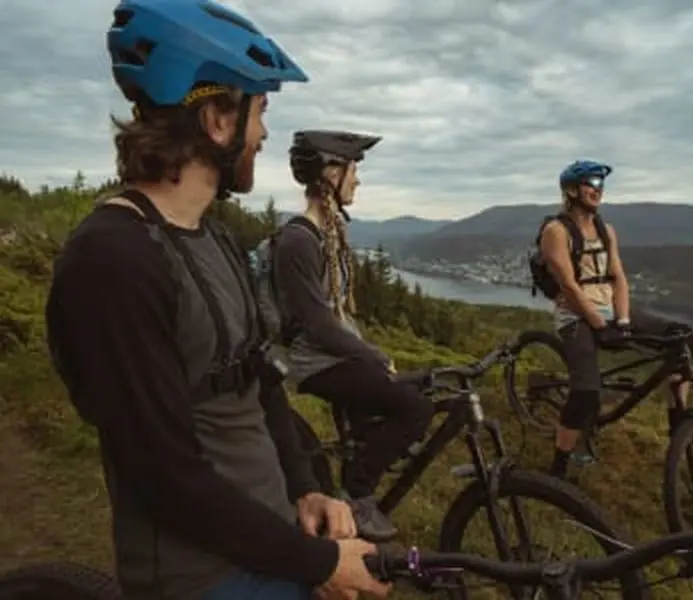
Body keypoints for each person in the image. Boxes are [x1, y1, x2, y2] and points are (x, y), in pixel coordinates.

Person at [44, 1, 390, 599]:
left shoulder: (217, 237)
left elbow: (262, 379)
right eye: (261, 111)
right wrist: (317, 564)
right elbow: (167, 477)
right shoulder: (115, 260)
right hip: (201, 575)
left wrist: (305, 488)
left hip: (266, 535)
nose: (264, 133)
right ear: (218, 120)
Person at [263, 130, 435, 542]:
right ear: (330, 173)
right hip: (314, 362)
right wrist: (373, 355)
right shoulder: (298, 241)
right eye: (353, 170)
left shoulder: (327, 233)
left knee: (414, 387)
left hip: (333, 354)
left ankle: (363, 450)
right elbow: (319, 325)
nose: (357, 180)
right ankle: (356, 493)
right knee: (416, 410)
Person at [539, 160, 693, 480]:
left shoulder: (606, 231)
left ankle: (678, 423)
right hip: (576, 316)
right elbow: (568, 286)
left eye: (600, 183)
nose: (598, 188)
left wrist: (622, 320)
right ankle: (558, 466)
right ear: (571, 190)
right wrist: (598, 324)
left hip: (611, 309)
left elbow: (619, 277)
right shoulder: (555, 231)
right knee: (585, 393)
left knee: (682, 339)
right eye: (590, 182)